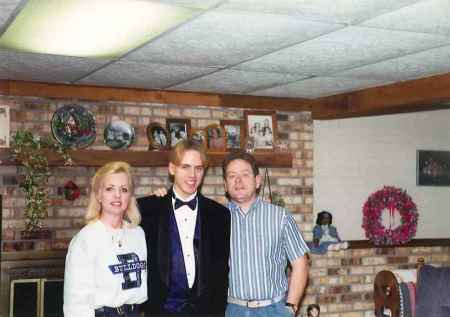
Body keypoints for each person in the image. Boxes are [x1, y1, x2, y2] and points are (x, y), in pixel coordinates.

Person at [137, 139, 231, 316]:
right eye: (185, 167)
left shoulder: (220, 215)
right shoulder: (147, 210)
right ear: (172, 169)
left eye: (198, 168)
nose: (192, 175)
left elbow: (221, 274)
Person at [222, 150, 309, 317]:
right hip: (232, 310)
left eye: (245, 174)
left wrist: (290, 307)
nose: (238, 181)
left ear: (257, 181)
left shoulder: (280, 216)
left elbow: (300, 264)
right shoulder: (217, 220)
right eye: (232, 176)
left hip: (273, 310)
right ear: (225, 185)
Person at [63, 161, 147, 317]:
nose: (117, 195)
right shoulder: (86, 238)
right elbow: (75, 302)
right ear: (98, 195)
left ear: (130, 196)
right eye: (110, 189)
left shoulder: (138, 234)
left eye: (124, 189)